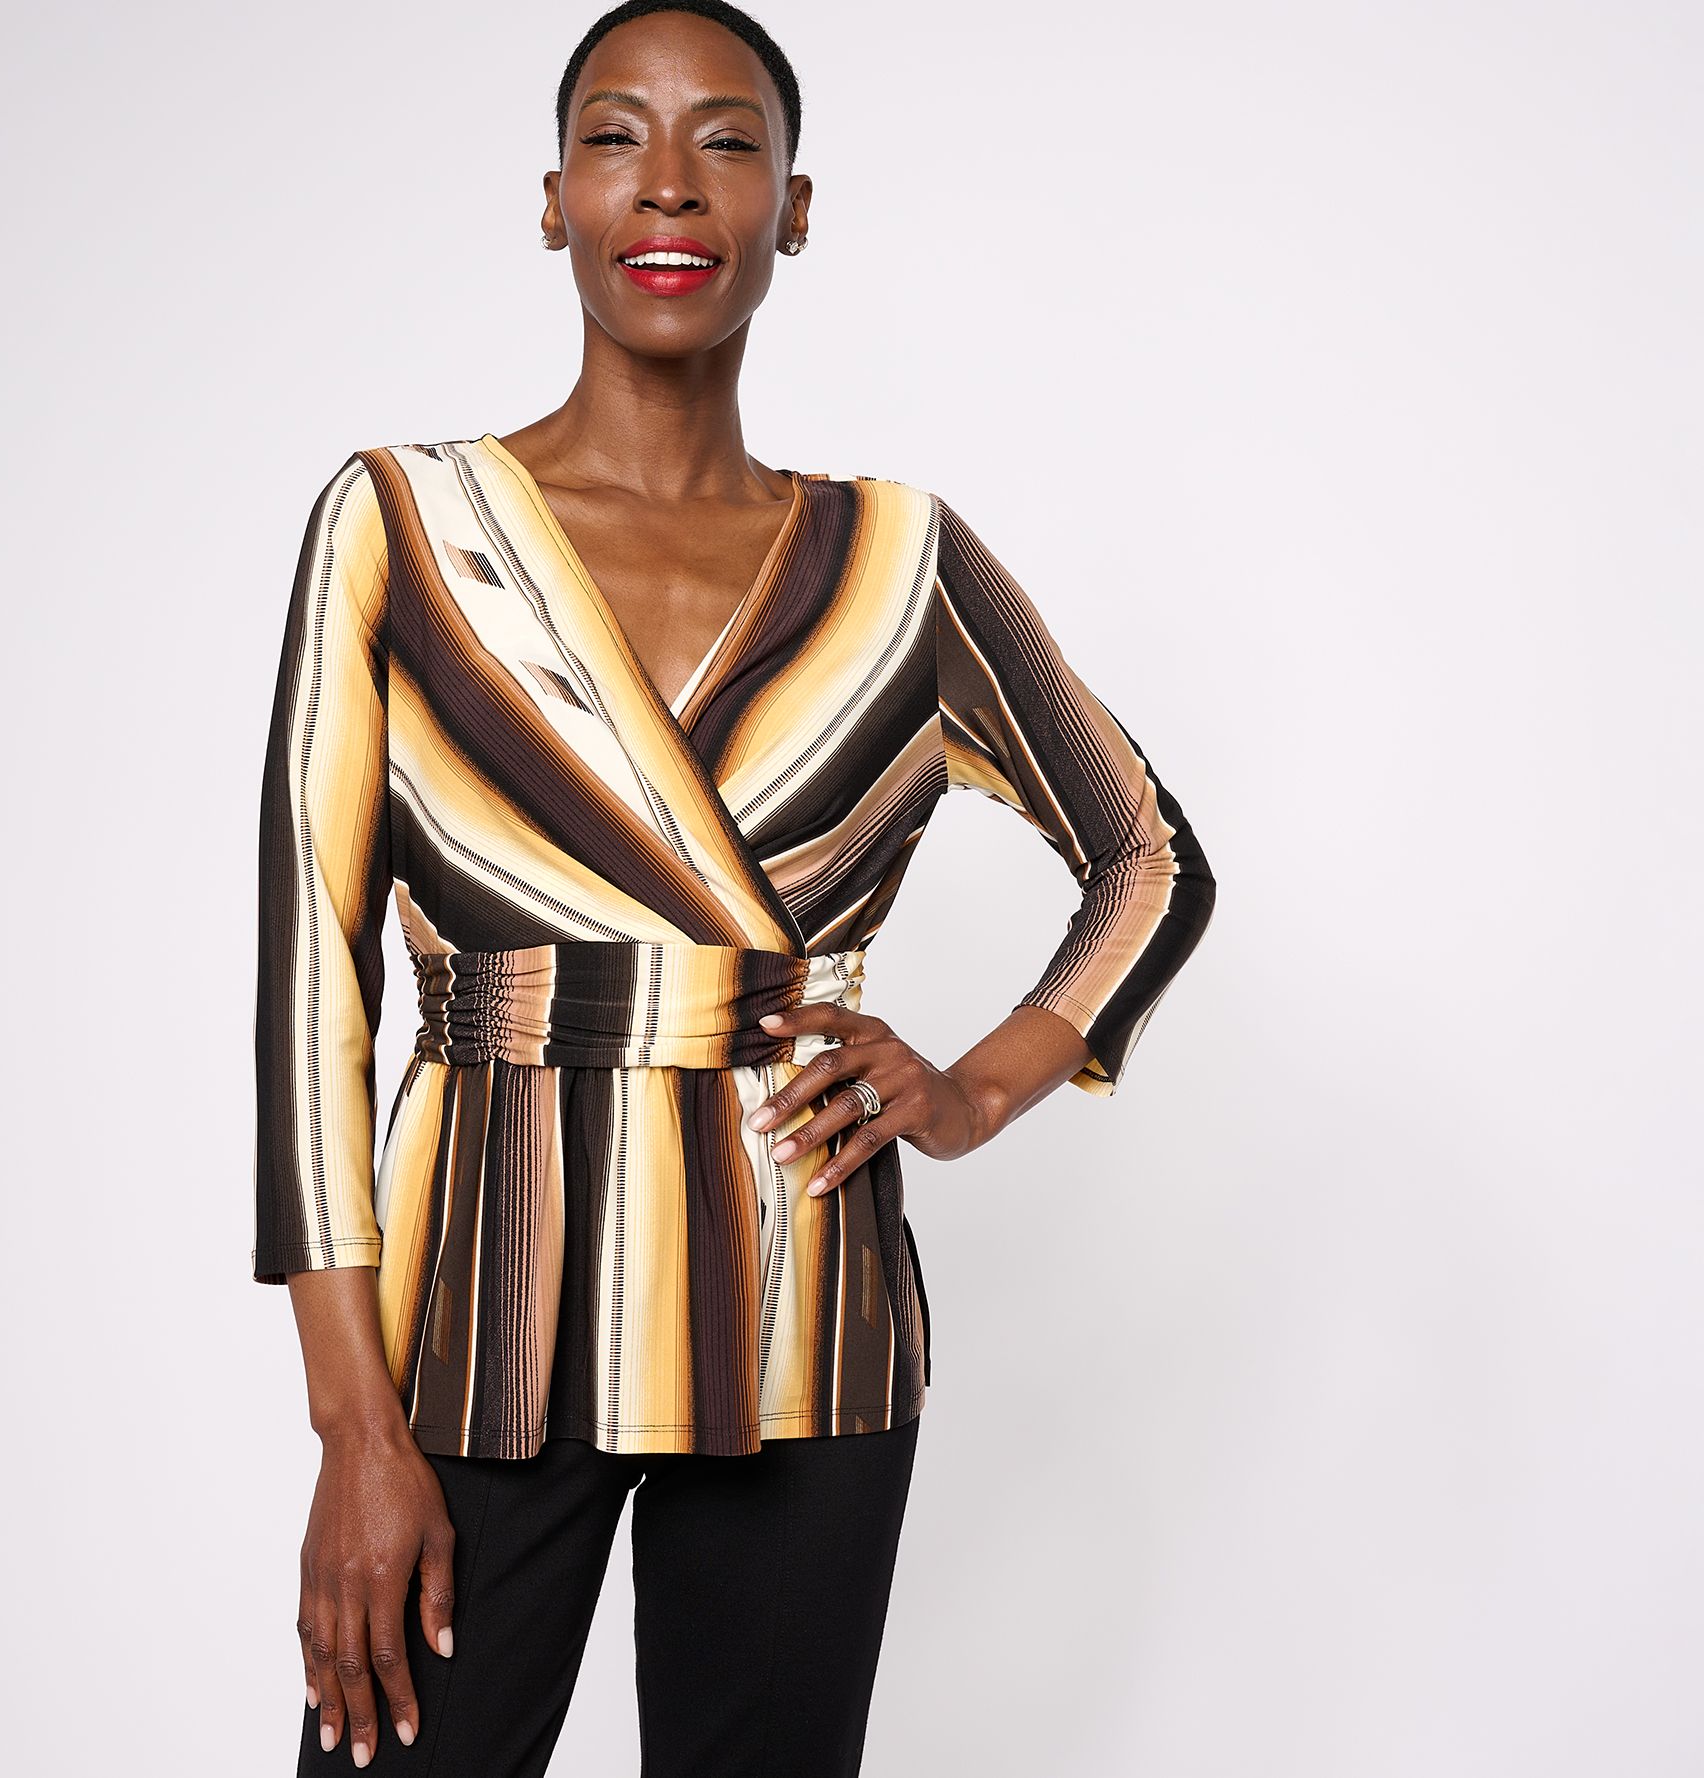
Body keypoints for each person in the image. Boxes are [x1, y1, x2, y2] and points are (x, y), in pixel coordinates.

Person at [252, 3, 1217, 1771]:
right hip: (481, 1316)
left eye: (728, 141)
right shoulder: (398, 525)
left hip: (807, 1315)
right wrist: (352, 1430)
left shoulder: (899, 560)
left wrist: (976, 1090)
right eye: (617, 137)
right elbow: (312, 988)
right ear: (555, 198)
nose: (670, 184)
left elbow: (1146, 851)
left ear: (794, 207)